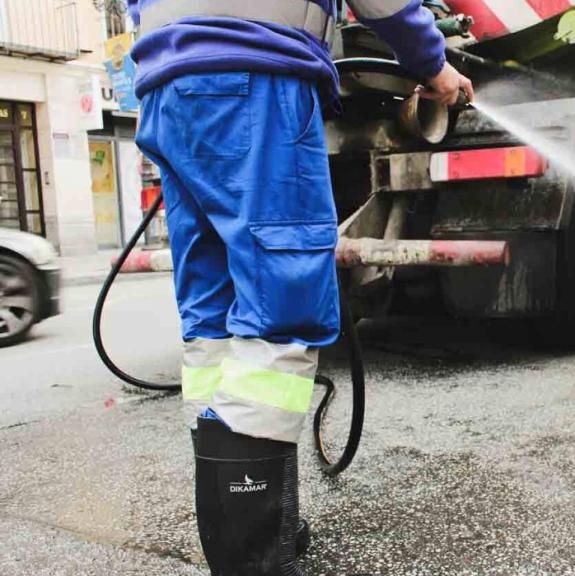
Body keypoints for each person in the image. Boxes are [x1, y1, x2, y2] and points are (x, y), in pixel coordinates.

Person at [127, 1, 472, 574]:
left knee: (212, 319)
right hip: (254, 82)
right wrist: (435, 66)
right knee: (280, 312)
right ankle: (254, 554)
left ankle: (243, 525)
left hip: (167, 91)